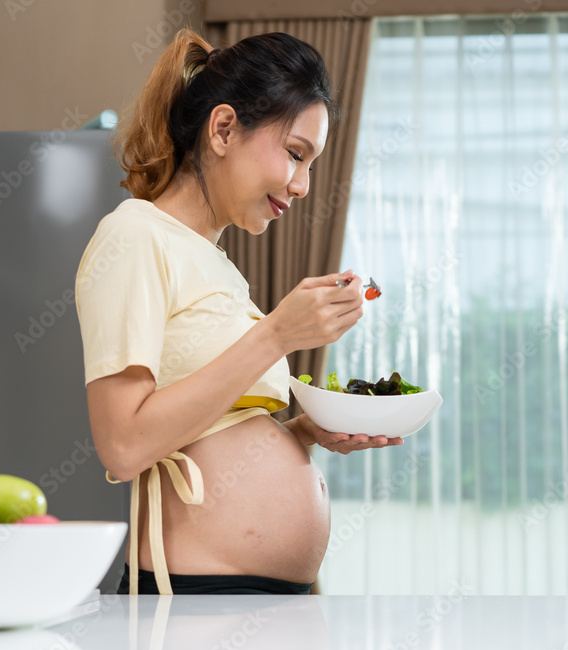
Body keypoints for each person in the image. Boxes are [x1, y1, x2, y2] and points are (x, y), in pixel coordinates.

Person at [74, 28, 403, 596]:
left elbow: (214, 431)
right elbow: (124, 445)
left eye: (312, 165)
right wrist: (276, 334)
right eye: (296, 155)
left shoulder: (221, 266)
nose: (302, 186)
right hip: (200, 600)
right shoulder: (134, 235)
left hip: (258, 599)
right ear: (223, 128)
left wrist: (304, 433)